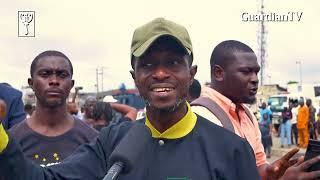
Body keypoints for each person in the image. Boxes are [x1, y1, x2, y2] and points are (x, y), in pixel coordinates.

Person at [0, 18, 259, 180]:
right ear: (135, 77)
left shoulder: (231, 150)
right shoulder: (112, 141)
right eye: (148, 64)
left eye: (173, 62)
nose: (160, 73)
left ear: (191, 74)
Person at [191, 40, 320, 179]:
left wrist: (273, 173)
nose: (255, 79)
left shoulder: (247, 114)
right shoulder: (201, 117)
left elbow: (257, 166)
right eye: (246, 72)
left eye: (256, 72)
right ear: (218, 73)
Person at [8, 50, 98, 166]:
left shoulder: (93, 140)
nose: (54, 81)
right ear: (31, 83)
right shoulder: (12, 142)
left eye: (62, 75)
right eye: (45, 74)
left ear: (71, 84)